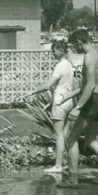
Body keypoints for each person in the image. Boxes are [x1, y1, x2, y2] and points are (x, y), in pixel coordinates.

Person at [57, 28, 98, 188]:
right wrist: (68, 97)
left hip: (91, 102)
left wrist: (78, 107)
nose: (73, 49)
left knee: (70, 139)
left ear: (79, 42)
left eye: (73, 45)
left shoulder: (89, 57)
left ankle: (73, 180)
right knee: (91, 140)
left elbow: (90, 85)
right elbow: (90, 84)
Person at [31, 42, 74, 173]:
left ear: (61, 50)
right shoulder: (69, 65)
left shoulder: (60, 66)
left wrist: (32, 92)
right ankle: (69, 163)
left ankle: (58, 165)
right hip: (69, 100)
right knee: (66, 134)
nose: (53, 53)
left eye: (55, 51)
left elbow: (48, 85)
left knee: (59, 134)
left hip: (60, 101)